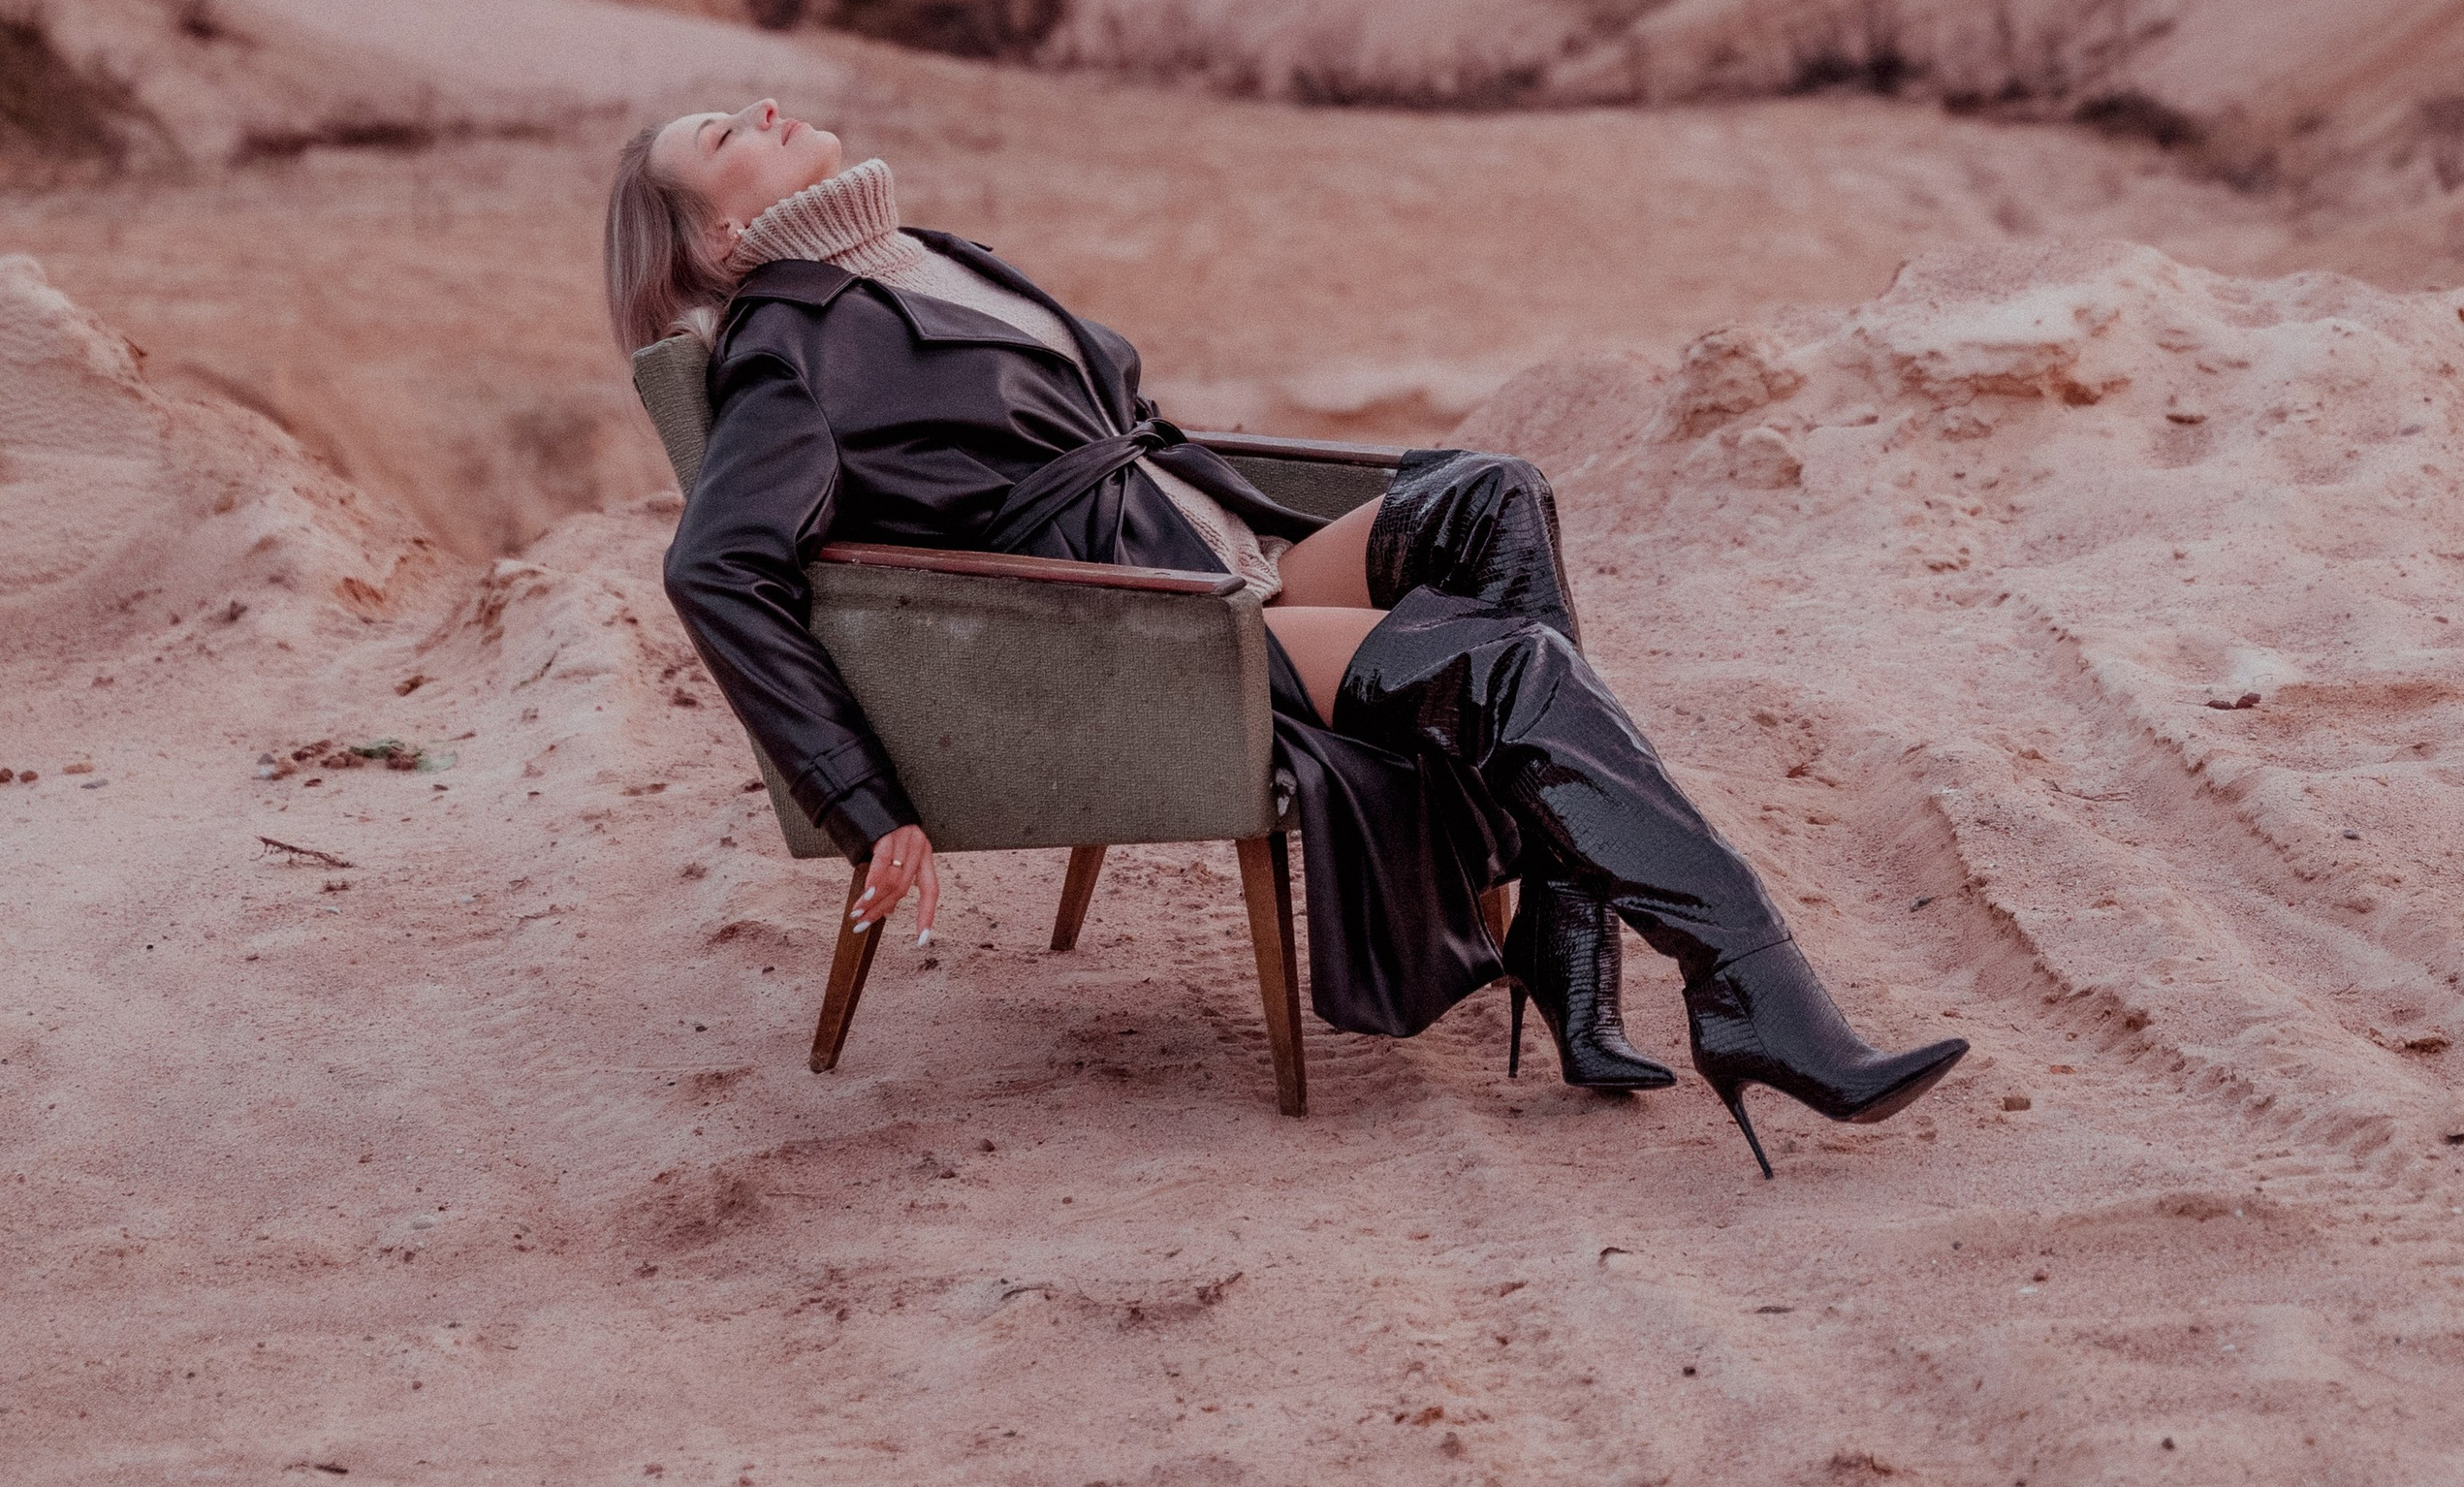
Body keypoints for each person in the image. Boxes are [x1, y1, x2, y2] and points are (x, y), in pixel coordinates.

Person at [605, 101, 1968, 1171]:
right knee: (1509, 664)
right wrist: (858, 798)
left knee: (1492, 494)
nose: (763, 108)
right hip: (1152, 637)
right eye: (723, 134)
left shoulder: (913, 255)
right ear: (720, 244)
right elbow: (718, 567)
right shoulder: (789, 339)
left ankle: (1565, 927)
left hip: (1216, 547)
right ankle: (1753, 992)